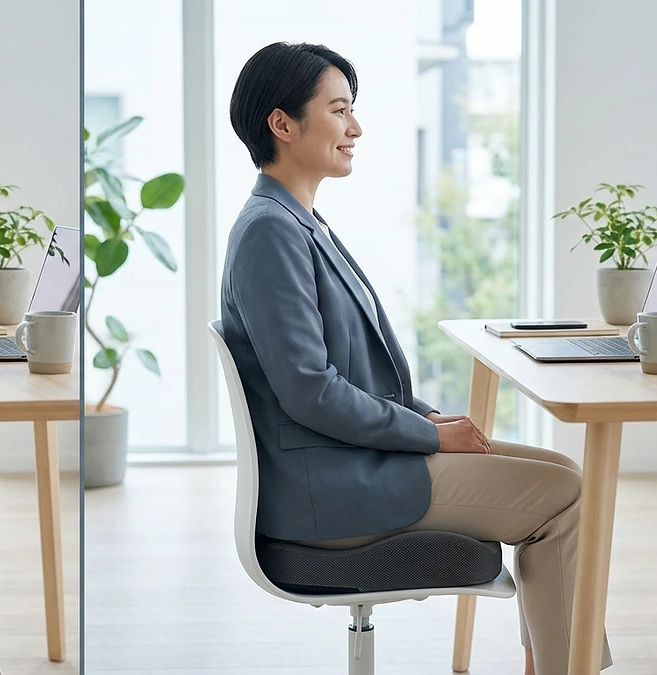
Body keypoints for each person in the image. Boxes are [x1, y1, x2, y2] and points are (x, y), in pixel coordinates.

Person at [219, 41, 611, 675]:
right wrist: (426, 432)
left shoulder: (298, 221)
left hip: (342, 465)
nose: (355, 127)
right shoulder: (270, 231)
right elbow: (310, 390)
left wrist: (429, 422)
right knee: (564, 494)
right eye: (339, 109)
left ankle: (561, 662)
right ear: (282, 124)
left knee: (563, 469)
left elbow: (346, 375)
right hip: (330, 491)